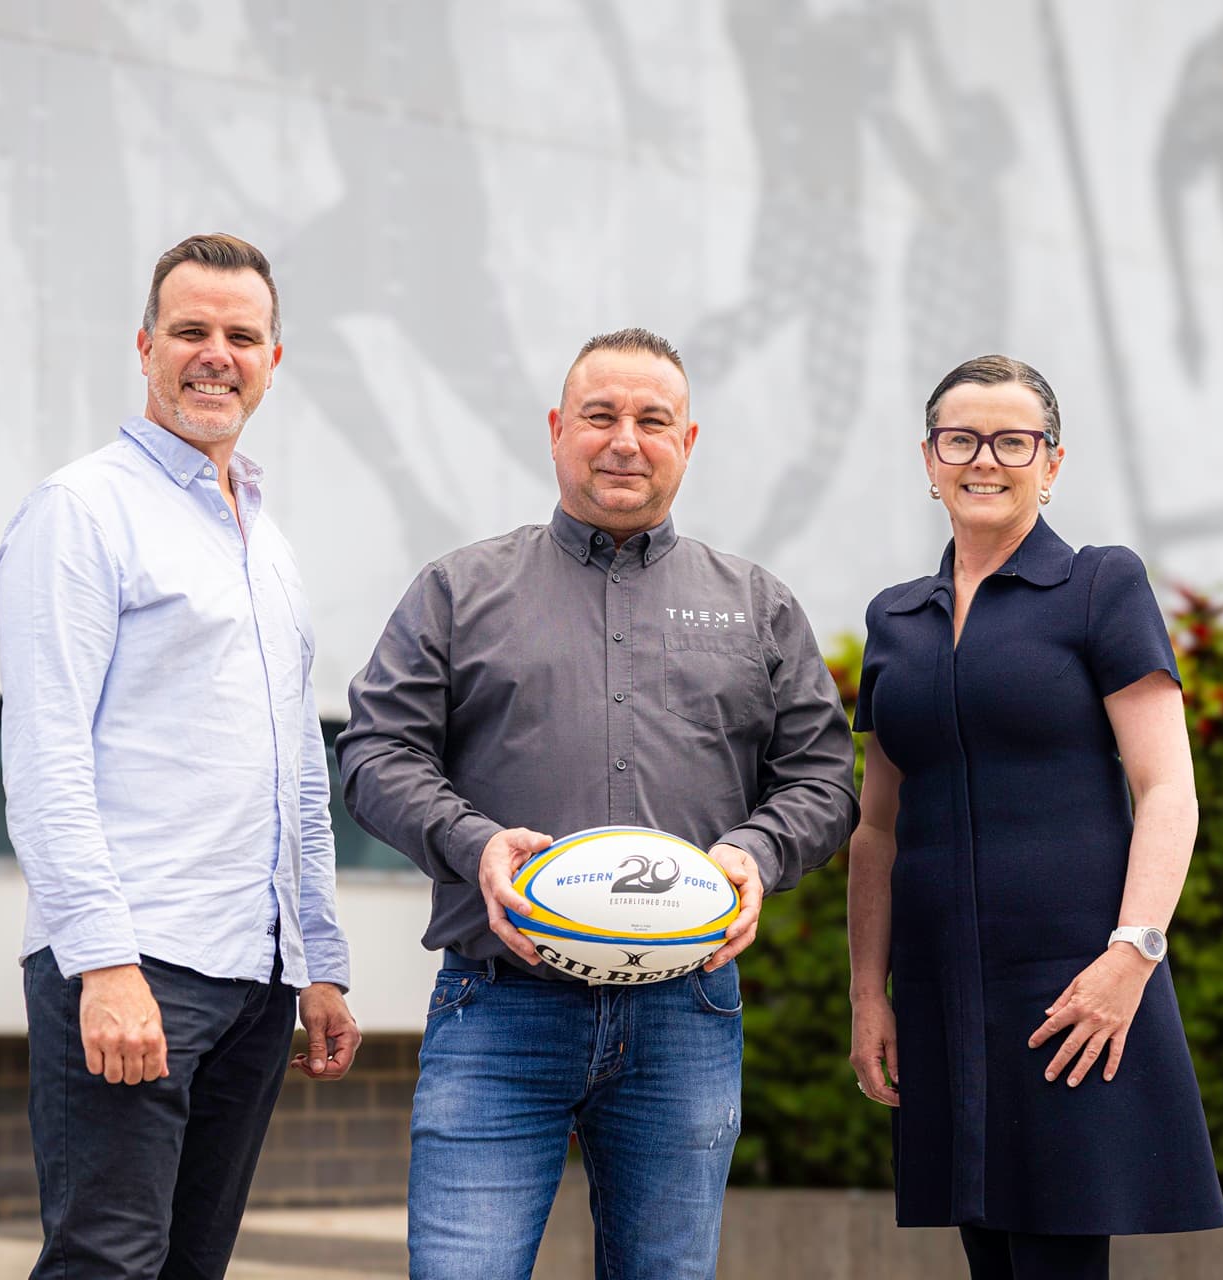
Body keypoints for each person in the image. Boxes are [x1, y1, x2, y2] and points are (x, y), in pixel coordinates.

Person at [338, 328, 858, 1279]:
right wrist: (475, 842)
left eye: (653, 420)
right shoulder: (458, 590)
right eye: (600, 416)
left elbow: (824, 780)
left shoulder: (756, 605)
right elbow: (376, 753)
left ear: (688, 441)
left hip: (685, 1013)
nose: (626, 439)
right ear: (555, 429)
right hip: (498, 1007)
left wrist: (755, 854)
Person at [0, 233, 360, 1280]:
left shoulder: (266, 540)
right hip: (132, 962)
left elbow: (296, 768)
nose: (217, 354)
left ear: (273, 360)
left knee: (192, 1264)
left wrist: (320, 962)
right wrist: (105, 963)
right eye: (192, 331)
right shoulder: (83, 508)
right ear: (146, 345)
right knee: (107, 1261)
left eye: (241, 335)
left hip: (254, 981)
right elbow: (46, 754)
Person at [847, 355, 1223, 1279]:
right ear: (929, 460)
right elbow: (877, 830)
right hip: (942, 985)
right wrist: (868, 994)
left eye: (1013, 440)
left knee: (1056, 1256)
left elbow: (1168, 790)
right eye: (961, 438)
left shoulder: (1101, 585)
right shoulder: (894, 619)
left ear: (1052, 463)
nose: (986, 458)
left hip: (1073, 985)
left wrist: (1131, 956)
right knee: (989, 1253)